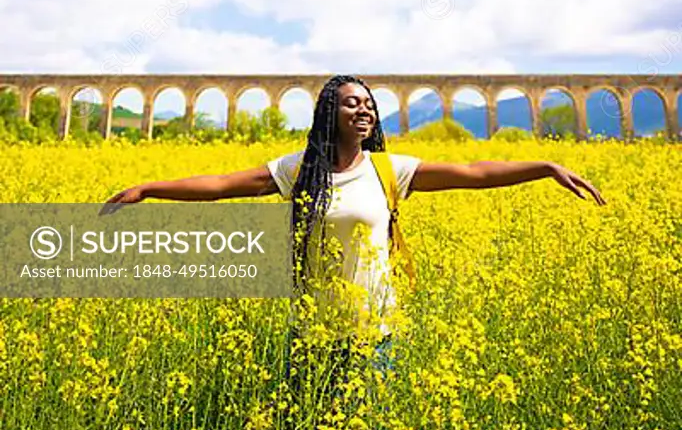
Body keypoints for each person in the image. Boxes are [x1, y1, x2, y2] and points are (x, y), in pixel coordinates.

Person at [101, 73, 606, 407]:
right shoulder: (298, 169)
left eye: (368, 104)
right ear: (329, 114)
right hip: (312, 335)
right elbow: (222, 186)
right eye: (351, 104)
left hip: (375, 335)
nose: (363, 111)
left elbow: (472, 171)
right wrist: (149, 189)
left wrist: (543, 167)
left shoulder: (390, 170)